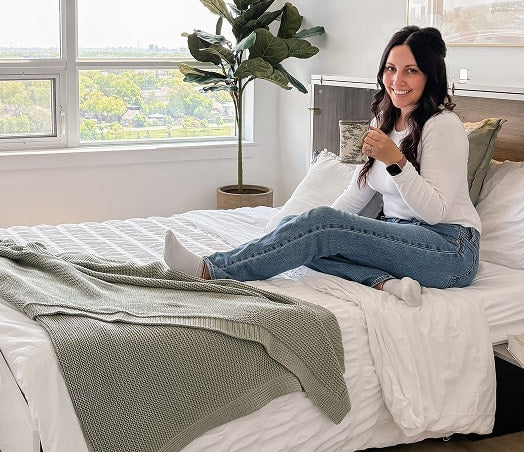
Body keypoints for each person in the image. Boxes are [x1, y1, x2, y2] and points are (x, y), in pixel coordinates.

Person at [163, 25, 481, 306]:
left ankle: (210, 269)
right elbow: (355, 195)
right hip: (400, 237)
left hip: (449, 249)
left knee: (314, 231)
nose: (397, 80)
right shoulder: (380, 121)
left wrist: (396, 161)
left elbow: (435, 212)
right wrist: (301, 226)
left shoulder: (444, 125)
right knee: (302, 242)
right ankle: (385, 282)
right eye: (390, 68)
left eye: (411, 70)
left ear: (430, 75)